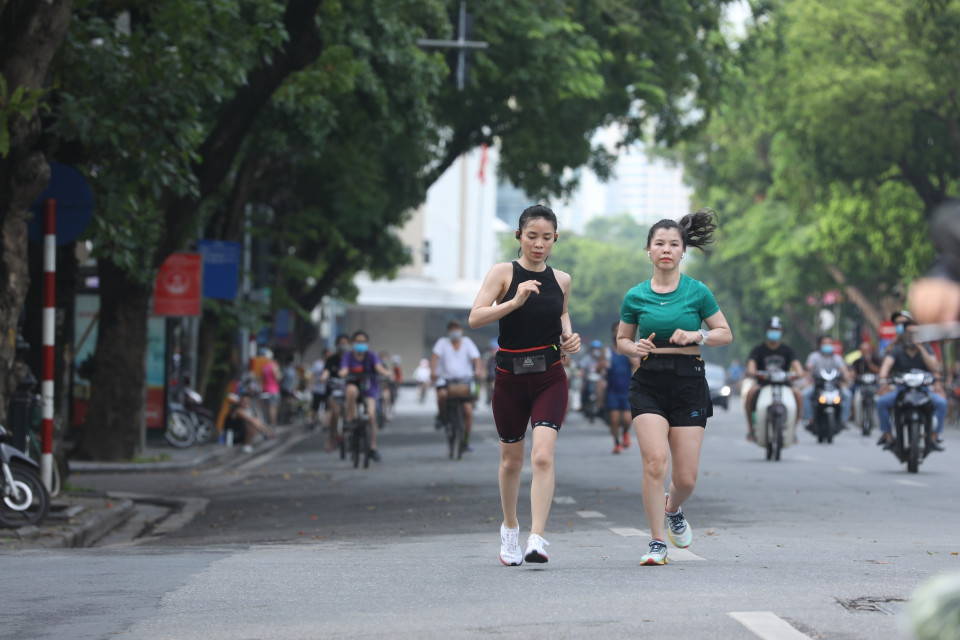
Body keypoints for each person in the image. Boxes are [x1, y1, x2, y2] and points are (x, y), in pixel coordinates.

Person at [615, 208, 732, 566]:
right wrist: (635, 348)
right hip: (649, 381)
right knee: (654, 463)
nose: (666, 249)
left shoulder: (697, 292)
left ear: (683, 251)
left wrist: (698, 334)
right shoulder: (635, 296)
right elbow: (621, 339)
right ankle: (655, 543)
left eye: (673, 244)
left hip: (689, 380)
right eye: (659, 244)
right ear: (648, 250)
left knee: (685, 477)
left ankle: (673, 508)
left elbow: (725, 334)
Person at [469, 204, 581, 566]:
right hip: (509, 378)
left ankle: (537, 538)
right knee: (511, 461)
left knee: (543, 455)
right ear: (519, 236)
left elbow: (561, 311)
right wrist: (514, 301)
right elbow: (475, 317)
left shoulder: (561, 279)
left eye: (546, 238)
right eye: (532, 236)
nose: (539, 244)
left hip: (549, 375)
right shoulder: (504, 272)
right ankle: (510, 528)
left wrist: (569, 337)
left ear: (555, 240)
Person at [876, 311, 946, 451]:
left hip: (923, 390)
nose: (912, 336)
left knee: (942, 403)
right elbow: (885, 369)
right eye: (909, 333)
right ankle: (888, 435)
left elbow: (934, 367)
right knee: (881, 402)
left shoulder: (926, 349)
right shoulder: (896, 349)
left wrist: (920, 347)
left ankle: (934, 436)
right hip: (901, 390)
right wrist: (884, 382)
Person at [743, 317, 805, 441]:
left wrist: (798, 373)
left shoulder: (788, 350)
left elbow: (797, 367)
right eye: (772, 329)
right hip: (763, 384)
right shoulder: (758, 350)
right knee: (750, 394)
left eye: (777, 329)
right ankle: (751, 429)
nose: (774, 332)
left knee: (798, 395)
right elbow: (751, 365)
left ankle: (793, 431)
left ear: (781, 331)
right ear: (766, 330)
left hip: (785, 385)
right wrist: (752, 371)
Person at [338, 331, 394, 461]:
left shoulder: (372, 356)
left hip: (369, 389)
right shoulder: (348, 356)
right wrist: (342, 373)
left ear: (367, 343)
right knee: (351, 390)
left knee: (371, 415)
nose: (360, 344)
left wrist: (387, 373)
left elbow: (379, 368)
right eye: (358, 341)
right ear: (353, 343)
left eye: (363, 341)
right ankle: (350, 419)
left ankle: (372, 448)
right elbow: (344, 369)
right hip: (353, 387)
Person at [431, 319, 483, 453]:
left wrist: (477, 370)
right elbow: (434, 358)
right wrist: (433, 372)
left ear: (461, 330)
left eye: (456, 329)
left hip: (464, 382)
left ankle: (465, 441)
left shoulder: (467, 343)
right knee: (442, 395)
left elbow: (476, 359)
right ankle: (442, 416)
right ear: (448, 331)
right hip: (446, 380)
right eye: (451, 329)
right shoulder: (442, 343)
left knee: (468, 411)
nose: (454, 331)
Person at [801, 335, 852, 432]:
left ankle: (843, 420)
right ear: (820, 345)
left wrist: (846, 378)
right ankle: (809, 419)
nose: (827, 346)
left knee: (847, 394)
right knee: (805, 394)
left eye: (829, 344)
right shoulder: (814, 357)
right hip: (818, 385)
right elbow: (809, 370)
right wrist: (808, 380)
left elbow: (844, 371)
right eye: (825, 344)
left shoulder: (837, 358)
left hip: (834, 386)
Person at [605, 320, 640, 454]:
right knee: (614, 418)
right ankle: (617, 442)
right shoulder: (607, 351)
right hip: (612, 389)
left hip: (626, 389)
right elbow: (600, 366)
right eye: (615, 330)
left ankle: (625, 432)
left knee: (626, 419)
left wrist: (627, 351)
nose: (617, 333)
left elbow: (636, 365)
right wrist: (602, 366)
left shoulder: (628, 348)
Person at [316, 335, 351, 452]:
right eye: (341, 343)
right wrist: (323, 377)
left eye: (346, 343)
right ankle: (332, 439)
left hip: (349, 392)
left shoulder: (352, 358)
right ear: (337, 345)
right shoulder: (331, 360)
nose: (343, 345)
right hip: (334, 391)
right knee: (335, 413)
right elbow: (326, 371)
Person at [578, 339, 607, 418]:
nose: (596, 350)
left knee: (605, 387)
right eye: (594, 348)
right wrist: (581, 374)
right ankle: (581, 404)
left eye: (597, 349)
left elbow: (605, 369)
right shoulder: (587, 358)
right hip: (588, 379)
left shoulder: (602, 359)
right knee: (581, 387)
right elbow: (582, 369)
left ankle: (602, 406)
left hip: (599, 379)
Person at [258, 348, 281, 429]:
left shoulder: (264, 367)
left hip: (265, 389)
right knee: (273, 407)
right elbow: (277, 377)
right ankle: (273, 425)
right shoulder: (274, 365)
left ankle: (265, 424)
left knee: (265, 408)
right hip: (273, 389)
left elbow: (261, 379)